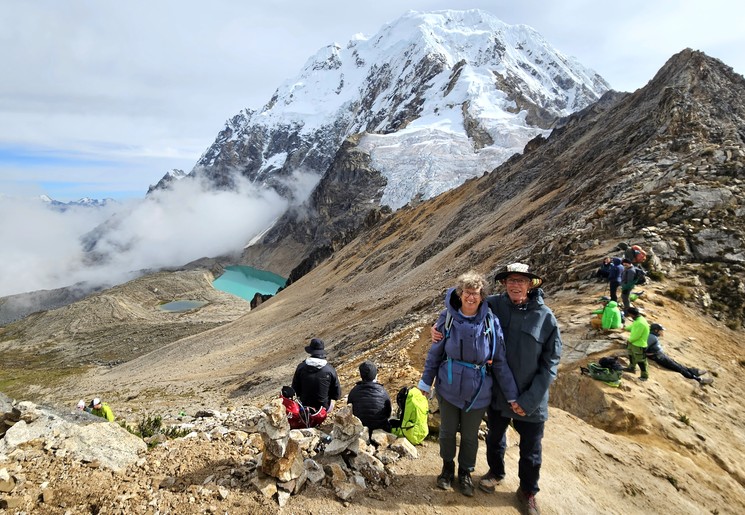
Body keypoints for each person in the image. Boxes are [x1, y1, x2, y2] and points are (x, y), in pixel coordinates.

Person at [419, 271, 519, 497]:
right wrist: (425, 383)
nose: (471, 297)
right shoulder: (447, 318)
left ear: (482, 296)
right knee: (446, 432)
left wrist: (512, 395)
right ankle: (447, 469)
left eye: (475, 293)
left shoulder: (491, 322)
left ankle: (465, 472)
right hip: (448, 387)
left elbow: (500, 362)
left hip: (478, 391)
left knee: (470, 435)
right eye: (467, 292)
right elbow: (434, 354)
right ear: (460, 294)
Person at [646, 324, 713, 385]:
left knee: (679, 365)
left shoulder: (652, 336)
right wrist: (650, 354)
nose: (662, 332)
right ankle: (699, 379)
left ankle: (695, 371)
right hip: (659, 357)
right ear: (656, 330)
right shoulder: (652, 337)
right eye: (661, 330)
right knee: (678, 368)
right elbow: (644, 348)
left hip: (660, 356)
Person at [291, 338, 342, 413]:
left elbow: (295, 389)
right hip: (324, 409)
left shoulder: (301, 367)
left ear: (311, 352)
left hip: (304, 407)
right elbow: (337, 394)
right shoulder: (330, 369)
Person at [347, 360, 392, 436]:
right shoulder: (382, 391)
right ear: (375, 375)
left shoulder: (354, 391)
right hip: (379, 427)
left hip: (360, 428)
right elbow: (388, 412)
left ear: (361, 375)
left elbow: (350, 408)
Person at [623, 307, 650, 381]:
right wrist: (625, 328)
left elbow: (637, 335)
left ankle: (644, 376)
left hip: (639, 345)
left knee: (641, 361)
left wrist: (630, 340)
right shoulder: (637, 320)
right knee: (631, 356)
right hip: (633, 343)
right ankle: (631, 368)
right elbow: (633, 327)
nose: (629, 315)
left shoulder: (641, 322)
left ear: (631, 314)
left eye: (629, 314)